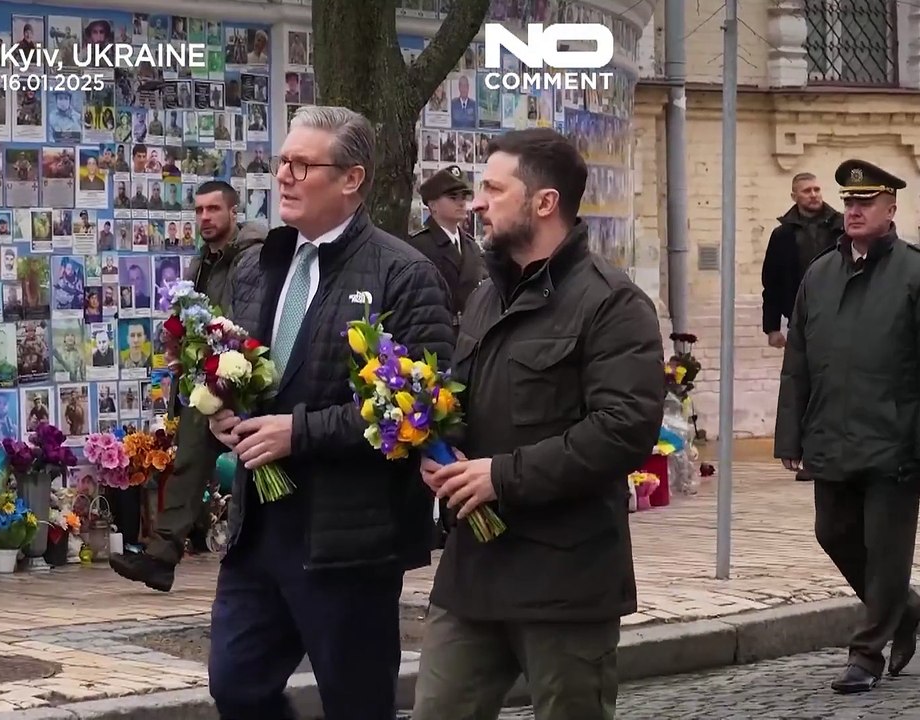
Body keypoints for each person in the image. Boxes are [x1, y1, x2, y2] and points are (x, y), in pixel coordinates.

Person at [204, 106, 452, 720]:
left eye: (302, 165)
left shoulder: (403, 273)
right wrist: (223, 409)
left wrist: (300, 433)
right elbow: (240, 362)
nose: (284, 176)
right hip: (259, 527)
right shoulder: (256, 264)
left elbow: (414, 409)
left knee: (357, 703)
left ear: (351, 179)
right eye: (281, 162)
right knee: (235, 686)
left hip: (349, 536)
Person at [411, 129, 664, 720]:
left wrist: (502, 476)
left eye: (494, 189)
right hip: (473, 571)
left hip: (565, 579)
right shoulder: (484, 297)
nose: (477, 202)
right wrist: (436, 446)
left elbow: (623, 429)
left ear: (543, 203)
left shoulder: (612, 303)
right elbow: (467, 403)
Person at [774, 159, 920, 694]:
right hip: (831, 435)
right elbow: (799, 363)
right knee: (832, 532)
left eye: (866, 202)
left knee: (886, 550)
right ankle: (904, 611)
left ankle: (866, 654)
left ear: (891, 208)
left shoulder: (913, 272)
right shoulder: (820, 273)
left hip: (895, 442)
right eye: (850, 202)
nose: (854, 210)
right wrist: (790, 436)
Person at [109, 180, 266, 592]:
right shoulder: (202, 261)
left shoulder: (252, 257)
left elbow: (251, 314)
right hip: (208, 376)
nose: (205, 218)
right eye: (199, 210)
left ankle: (268, 553)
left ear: (234, 212)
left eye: (213, 209)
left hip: (249, 374)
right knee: (189, 461)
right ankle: (160, 559)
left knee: (263, 463)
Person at [406, 165, 489, 548]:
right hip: (434, 346)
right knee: (430, 431)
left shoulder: (471, 246)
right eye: (452, 198)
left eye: (463, 197)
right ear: (432, 204)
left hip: (469, 346)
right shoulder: (420, 247)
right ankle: (431, 521)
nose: (461, 204)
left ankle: (459, 513)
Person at [762, 172, 843, 481]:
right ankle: (811, 456)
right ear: (794, 196)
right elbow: (770, 283)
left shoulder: (840, 228)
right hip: (802, 321)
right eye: (806, 190)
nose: (814, 194)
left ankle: (837, 453)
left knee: (835, 386)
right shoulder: (782, 236)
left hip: (840, 316)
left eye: (817, 189)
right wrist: (772, 327)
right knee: (804, 388)